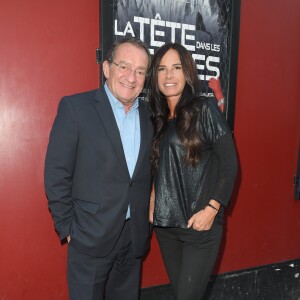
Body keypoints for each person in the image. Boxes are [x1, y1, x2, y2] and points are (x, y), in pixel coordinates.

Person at [44, 37, 153, 300]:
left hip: (132, 237)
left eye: (140, 71)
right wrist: (68, 228)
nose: (131, 76)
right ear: (107, 68)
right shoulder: (76, 108)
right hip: (89, 237)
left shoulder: (149, 115)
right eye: (124, 66)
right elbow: (56, 173)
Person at [147, 42, 237, 300]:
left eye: (176, 67)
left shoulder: (205, 109)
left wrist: (212, 209)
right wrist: (153, 199)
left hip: (199, 226)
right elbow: (158, 165)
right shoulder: (157, 117)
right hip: (166, 227)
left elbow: (229, 164)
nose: (169, 75)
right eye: (162, 69)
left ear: (187, 72)